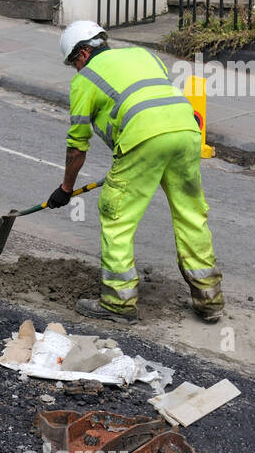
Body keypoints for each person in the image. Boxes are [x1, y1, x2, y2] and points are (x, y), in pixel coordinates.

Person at [49, 20, 224, 324]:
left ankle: (118, 301)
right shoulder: (142, 54)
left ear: (81, 55)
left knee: (115, 213)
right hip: (186, 130)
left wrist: (66, 189)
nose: (75, 70)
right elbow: (153, 97)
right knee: (191, 213)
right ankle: (209, 299)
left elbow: (77, 145)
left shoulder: (85, 78)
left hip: (143, 138)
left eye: (74, 64)